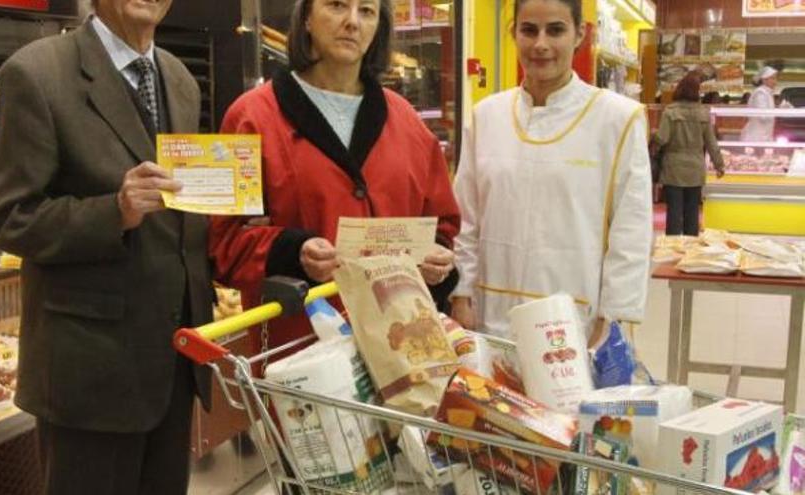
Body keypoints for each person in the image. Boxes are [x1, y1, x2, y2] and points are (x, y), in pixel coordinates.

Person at [0, 0, 213, 493]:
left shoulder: (179, 79)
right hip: (90, 374)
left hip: (173, 363)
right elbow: (6, 220)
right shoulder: (37, 73)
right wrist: (116, 211)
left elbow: (178, 211)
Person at [210, 0, 460, 356]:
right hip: (299, 351)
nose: (352, 22)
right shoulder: (250, 118)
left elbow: (441, 225)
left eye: (367, 11)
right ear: (307, 17)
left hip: (402, 345)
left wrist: (437, 260)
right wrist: (293, 251)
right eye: (337, 5)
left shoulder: (406, 121)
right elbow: (224, 242)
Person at [450, 0, 651, 342]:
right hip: (490, 314)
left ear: (580, 35)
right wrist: (461, 292)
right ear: (514, 34)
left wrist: (611, 318)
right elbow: (466, 217)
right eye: (529, 30)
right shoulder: (487, 116)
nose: (540, 44)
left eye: (555, 30)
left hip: (576, 321)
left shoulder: (617, 119)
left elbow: (631, 232)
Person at [654, 72, 725, 236]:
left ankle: (672, 248)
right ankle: (691, 247)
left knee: (674, 212)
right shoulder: (704, 114)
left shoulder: (670, 112)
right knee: (692, 211)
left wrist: (652, 140)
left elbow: (662, 139)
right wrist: (719, 164)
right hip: (695, 167)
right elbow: (711, 142)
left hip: (674, 167)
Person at [740, 65, 779, 142]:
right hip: (756, 137)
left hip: (764, 136)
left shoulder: (767, 93)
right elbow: (763, 115)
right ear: (764, 80)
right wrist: (778, 112)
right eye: (773, 78)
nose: (775, 82)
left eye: (775, 78)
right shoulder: (760, 93)